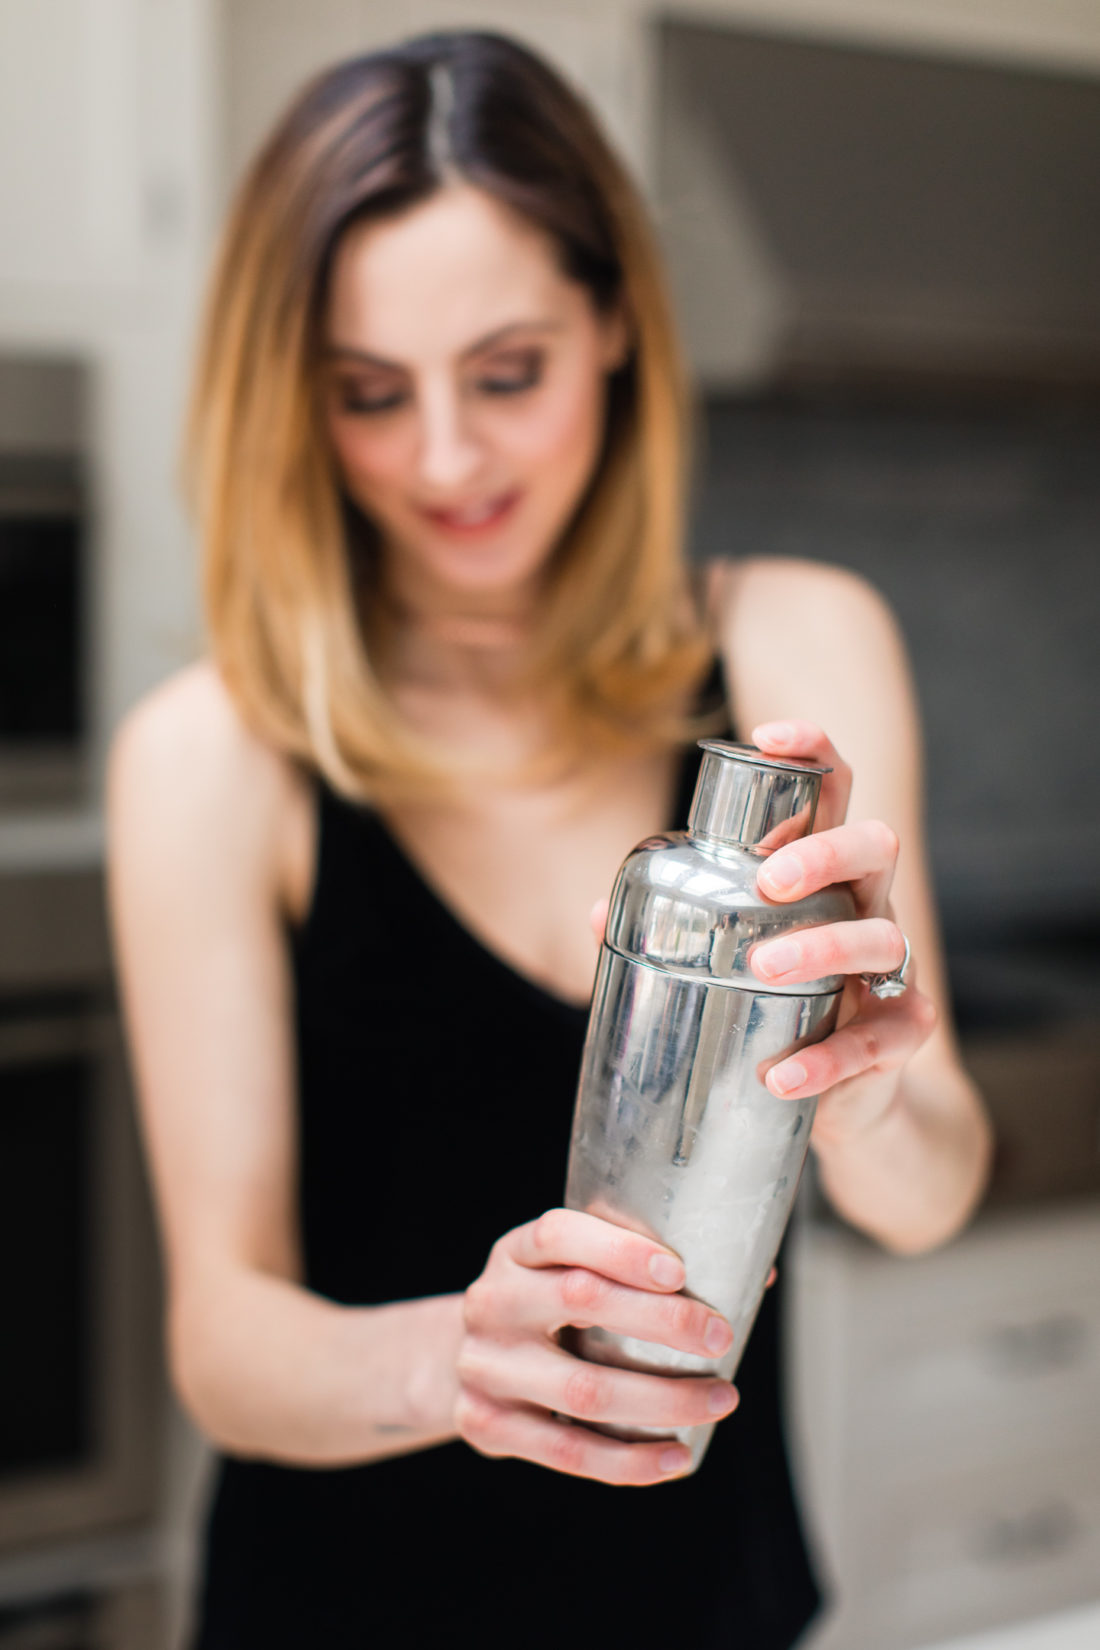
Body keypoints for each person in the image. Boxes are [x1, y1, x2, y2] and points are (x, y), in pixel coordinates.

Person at [106, 29, 992, 1650]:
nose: (444, 460)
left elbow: (932, 1188)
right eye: (371, 394)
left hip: (709, 1606)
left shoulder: (802, 645)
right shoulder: (211, 755)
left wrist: (864, 1100)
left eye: (505, 371)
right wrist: (462, 1356)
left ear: (611, 331)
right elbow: (222, 1334)